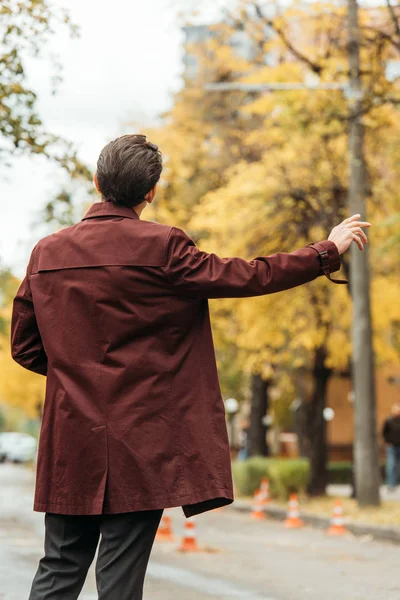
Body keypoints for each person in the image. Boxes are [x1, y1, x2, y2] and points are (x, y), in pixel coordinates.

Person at [11, 134, 370, 600]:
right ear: (151, 192)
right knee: (120, 579)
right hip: (142, 442)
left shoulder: (47, 253)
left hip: (71, 440)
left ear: (97, 182)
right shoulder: (164, 246)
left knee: (59, 567)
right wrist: (325, 250)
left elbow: (24, 345)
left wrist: (77, 373)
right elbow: (248, 276)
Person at [382, 403, 400, 490]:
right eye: (396, 409)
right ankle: (391, 484)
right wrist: (387, 442)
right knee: (391, 465)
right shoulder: (389, 421)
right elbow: (384, 433)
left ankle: (396, 483)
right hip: (391, 446)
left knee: (397, 466)